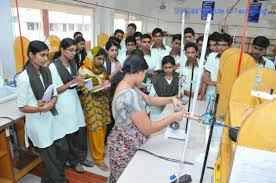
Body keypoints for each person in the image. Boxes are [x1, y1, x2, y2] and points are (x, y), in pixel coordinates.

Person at [107, 54, 187, 182]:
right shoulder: (130, 95)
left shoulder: (126, 85)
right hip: (126, 147)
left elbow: (149, 99)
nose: (144, 77)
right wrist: (173, 117)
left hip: (120, 140)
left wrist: (172, 99)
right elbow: (148, 128)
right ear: (139, 72)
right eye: (144, 73)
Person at [16, 40, 68, 183]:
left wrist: (52, 102)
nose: (46, 58)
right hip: (38, 123)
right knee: (50, 158)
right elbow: (21, 106)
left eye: (47, 55)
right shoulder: (23, 78)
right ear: (31, 55)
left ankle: (49, 180)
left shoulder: (46, 71)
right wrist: (39, 108)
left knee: (63, 150)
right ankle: (59, 180)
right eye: (42, 55)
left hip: (52, 117)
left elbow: (54, 93)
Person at [50, 38, 93, 173]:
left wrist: (81, 82)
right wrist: (71, 83)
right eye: (71, 50)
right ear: (62, 50)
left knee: (79, 131)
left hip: (74, 100)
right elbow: (54, 90)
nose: (74, 53)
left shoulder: (73, 63)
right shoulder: (53, 67)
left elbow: (74, 81)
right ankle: (74, 161)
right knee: (70, 133)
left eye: (75, 50)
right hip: (62, 103)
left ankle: (81, 157)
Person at [79, 47, 111, 171]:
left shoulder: (101, 69)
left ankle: (100, 151)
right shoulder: (83, 70)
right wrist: (100, 87)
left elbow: (106, 81)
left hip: (102, 102)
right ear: (92, 57)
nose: (101, 61)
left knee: (103, 128)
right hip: (91, 104)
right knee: (96, 130)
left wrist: (107, 86)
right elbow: (86, 89)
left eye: (103, 59)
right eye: (99, 58)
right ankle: (98, 159)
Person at [200, 32, 233, 99]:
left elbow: (230, 82)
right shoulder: (211, 56)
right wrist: (202, 95)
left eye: (224, 45)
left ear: (229, 46)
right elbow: (205, 78)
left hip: (225, 95)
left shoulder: (233, 60)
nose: (220, 47)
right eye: (218, 45)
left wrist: (214, 83)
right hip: (211, 93)